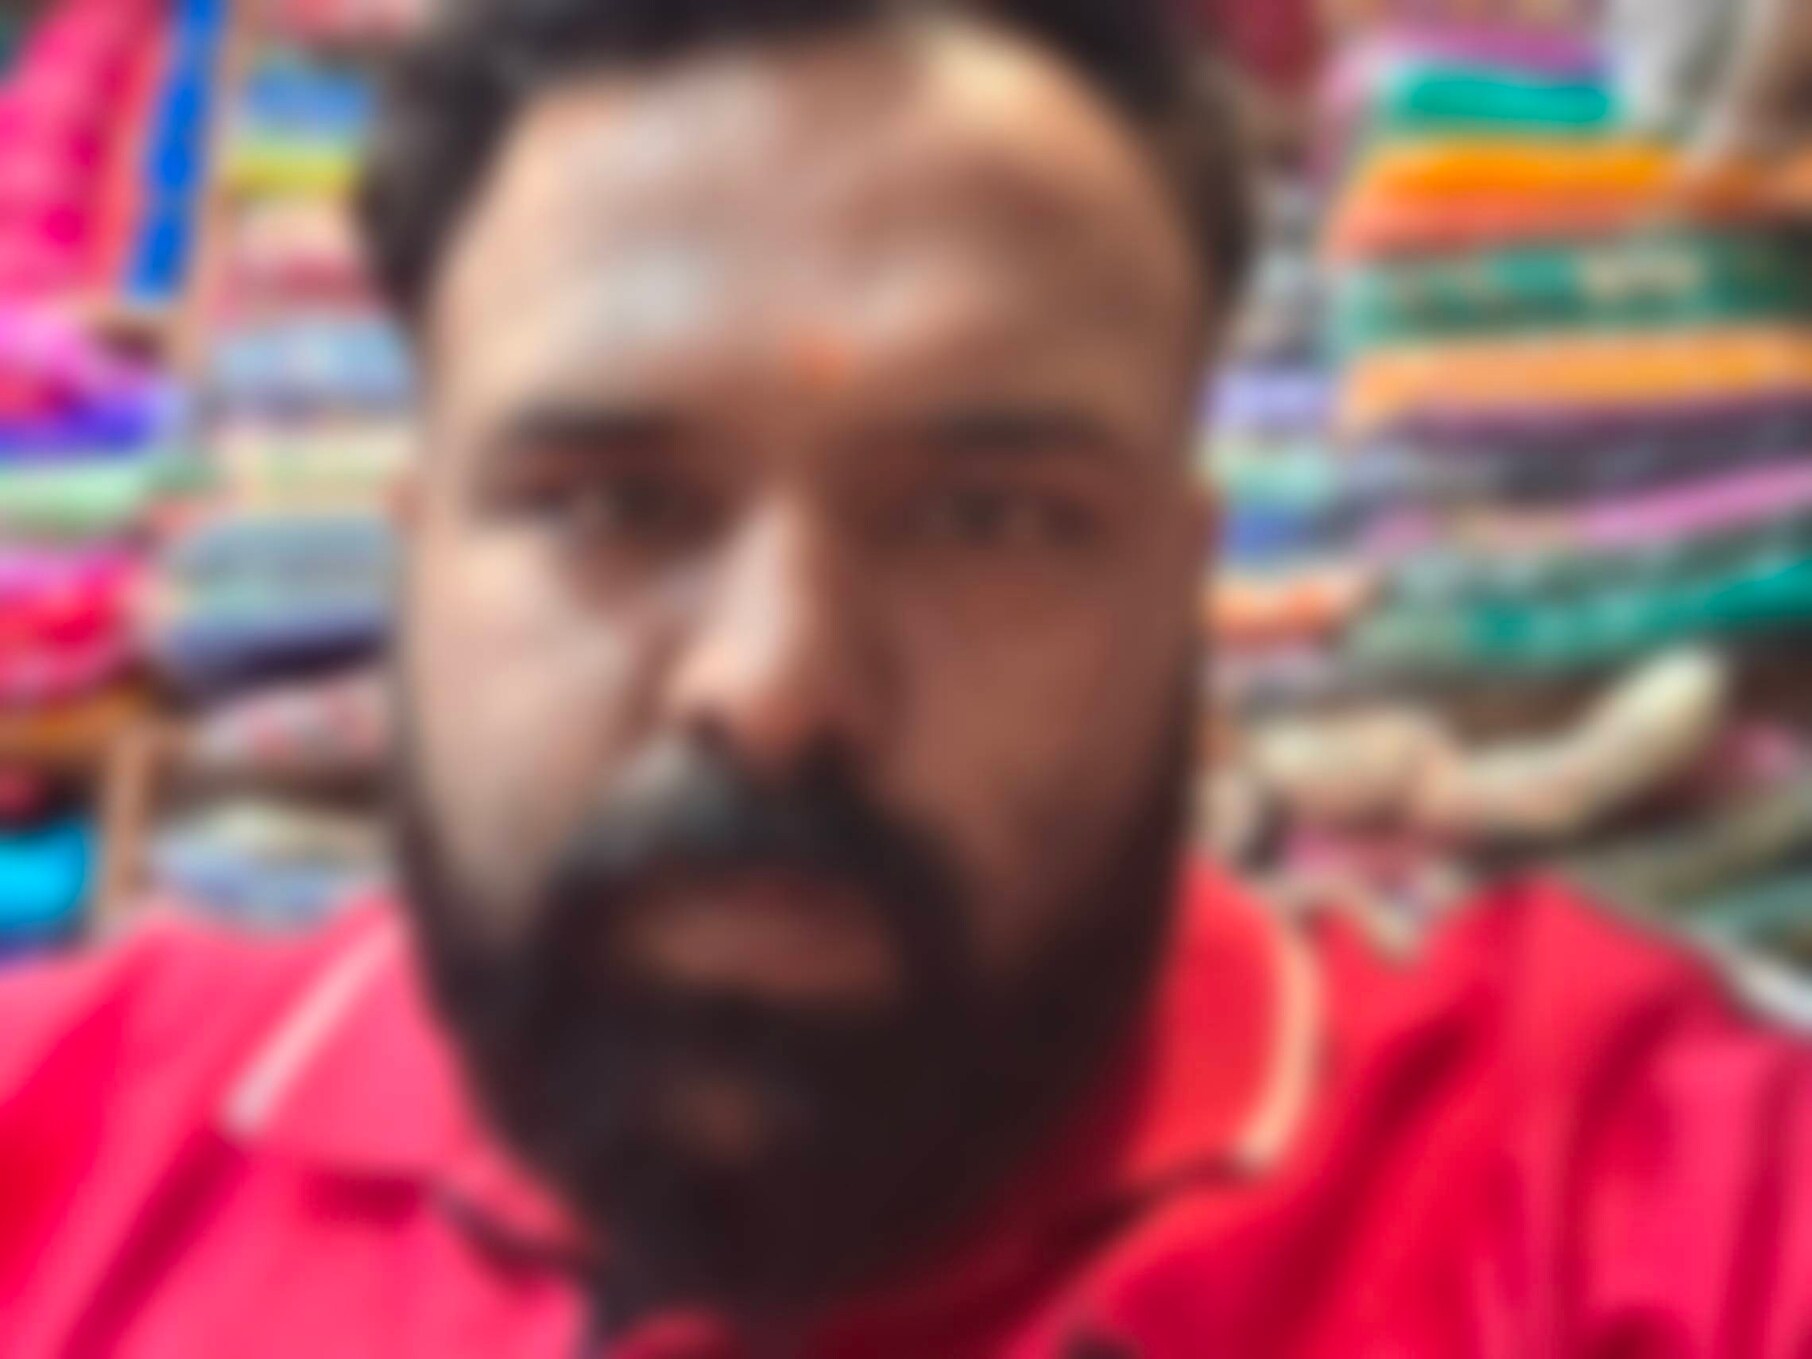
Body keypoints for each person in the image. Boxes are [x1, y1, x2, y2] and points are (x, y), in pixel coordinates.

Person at [3, 2, 1810, 1355]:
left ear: (1186, 590)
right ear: (410, 558)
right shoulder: (52, 1148)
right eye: (608, 502)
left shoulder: (1621, 1198)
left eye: (990, 517)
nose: (774, 682)